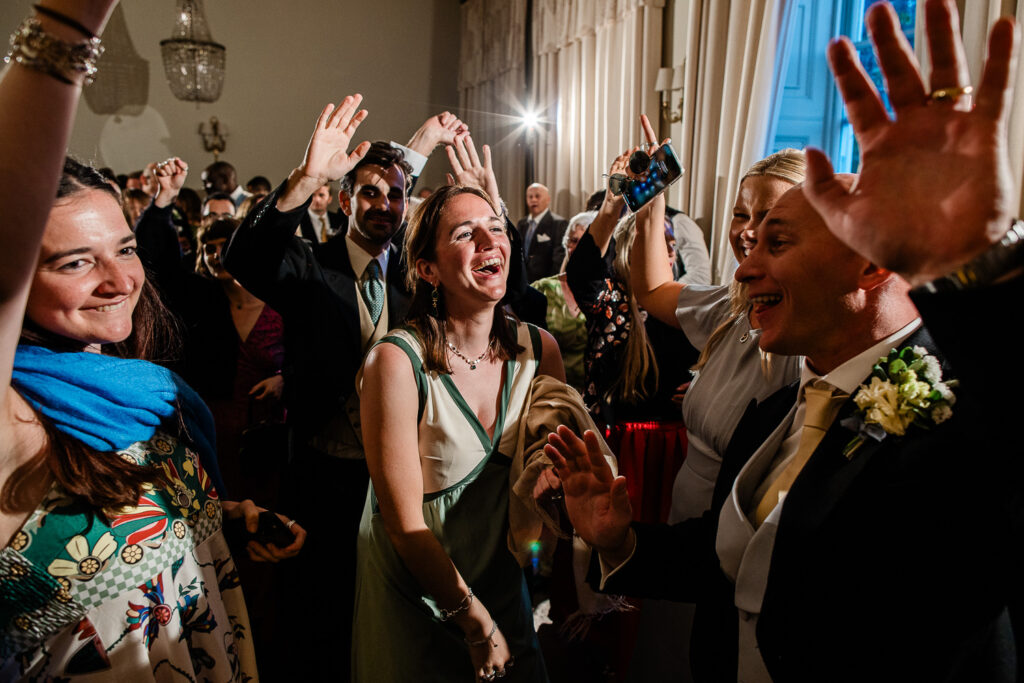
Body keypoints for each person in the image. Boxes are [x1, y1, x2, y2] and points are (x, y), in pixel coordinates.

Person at [545, 1, 1023, 680]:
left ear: (869, 262)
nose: (742, 264)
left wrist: (980, 259)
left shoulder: (952, 415)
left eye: (777, 240)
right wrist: (622, 539)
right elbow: (731, 556)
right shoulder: (781, 408)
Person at [0, 4, 303, 678]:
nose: (119, 280)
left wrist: (227, 514)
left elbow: (127, 515)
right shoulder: (14, 417)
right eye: (74, 261)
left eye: (126, 248)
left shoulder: (137, 388)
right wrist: (66, 27)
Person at [355, 133, 564, 681]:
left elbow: (551, 475)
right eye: (464, 234)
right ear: (427, 269)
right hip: (418, 589)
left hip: (502, 582)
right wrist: (472, 621)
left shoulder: (541, 350)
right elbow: (402, 523)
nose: (488, 241)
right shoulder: (396, 364)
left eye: (496, 227)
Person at [626, 143, 805, 681]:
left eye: (771, 220)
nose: (748, 230)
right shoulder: (732, 307)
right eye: (742, 214)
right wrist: (653, 203)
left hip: (737, 550)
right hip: (684, 529)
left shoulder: (806, 334)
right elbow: (652, 287)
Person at [530, 210, 593, 391]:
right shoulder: (543, 289)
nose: (577, 248)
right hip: (553, 395)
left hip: (600, 400)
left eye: (585, 241)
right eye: (573, 241)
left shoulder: (611, 293)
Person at [517, 183, 569, 282]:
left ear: (548, 199)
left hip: (544, 282)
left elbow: (559, 259)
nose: (533, 200)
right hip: (522, 282)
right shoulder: (522, 223)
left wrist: (550, 283)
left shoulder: (558, 223)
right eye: (530, 197)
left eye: (537, 196)